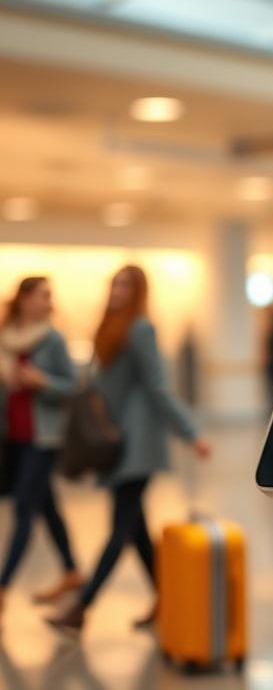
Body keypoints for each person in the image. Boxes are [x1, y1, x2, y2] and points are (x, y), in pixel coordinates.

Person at [48, 265, 211, 631]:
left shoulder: (140, 328)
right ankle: (168, 600)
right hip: (116, 442)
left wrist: (190, 432)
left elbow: (158, 387)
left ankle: (81, 608)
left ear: (138, 291)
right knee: (136, 530)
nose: (117, 291)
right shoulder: (110, 328)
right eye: (115, 284)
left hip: (139, 445)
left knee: (119, 528)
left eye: (125, 285)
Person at [0, 277, 82, 614]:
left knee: (24, 510)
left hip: (43, 438)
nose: (49, 302)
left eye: (50, 295)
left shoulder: (53, 340)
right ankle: (72, 571)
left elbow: (74, 385)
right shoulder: (6, 339)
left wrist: (43, 381)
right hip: (13, 435)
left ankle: (2, 587)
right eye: (43, 295)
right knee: (47, 506)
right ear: (24, 299)